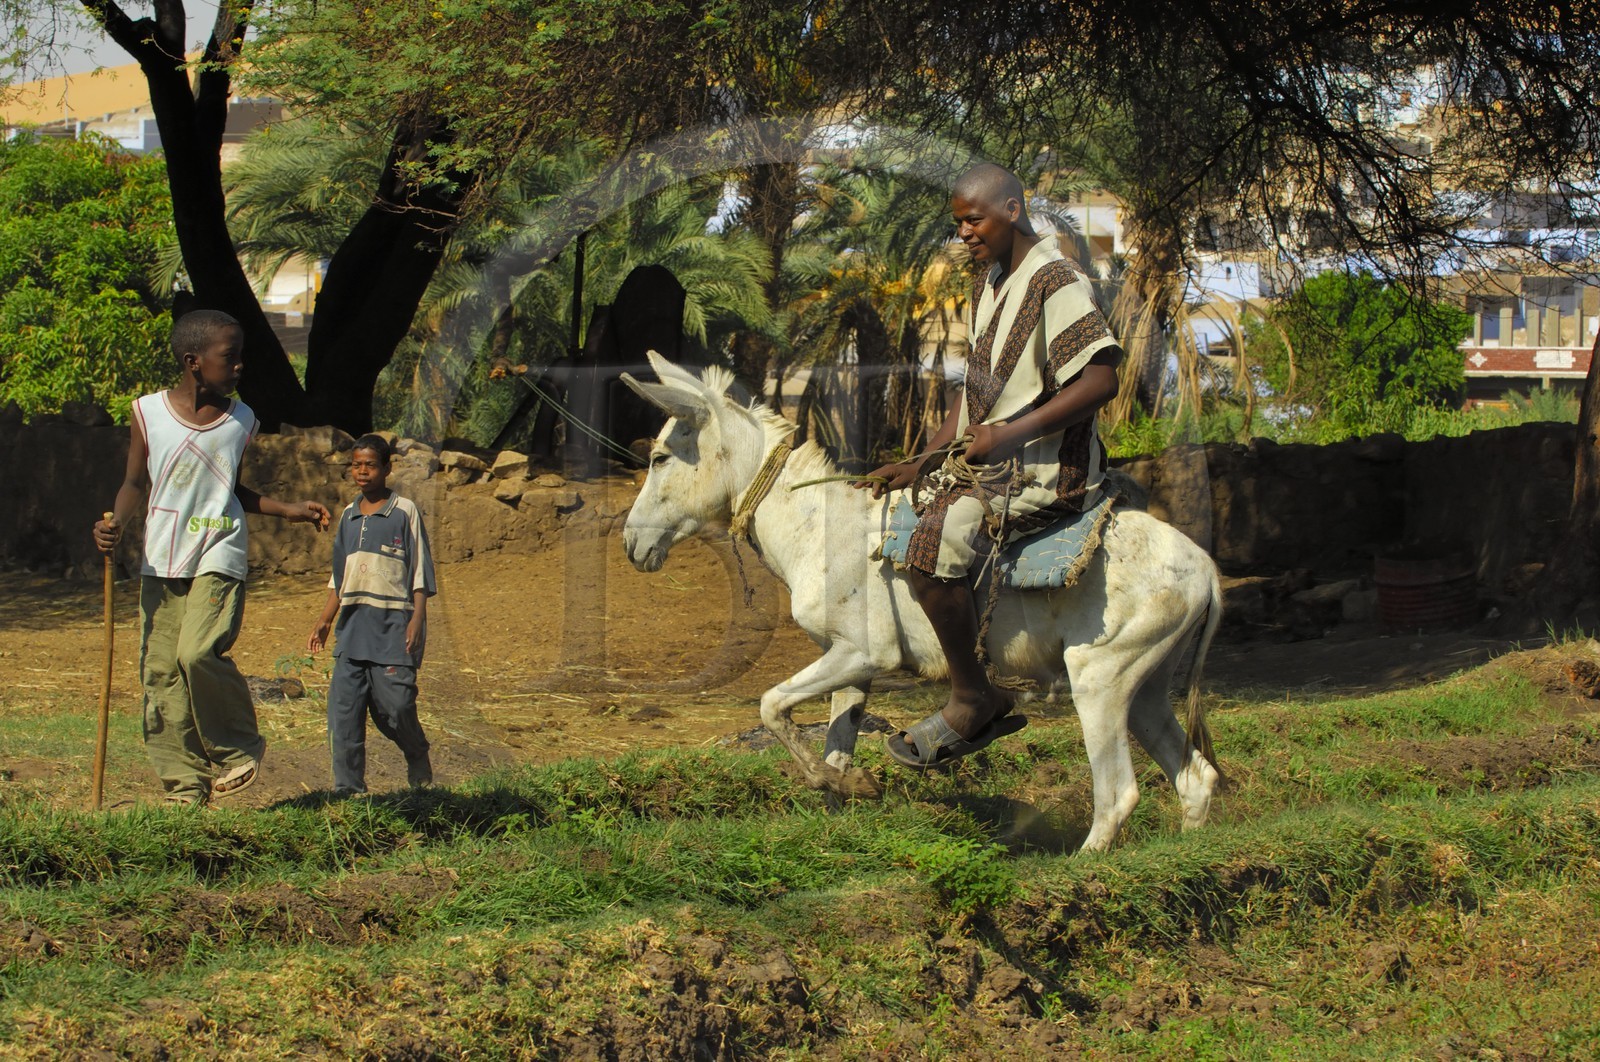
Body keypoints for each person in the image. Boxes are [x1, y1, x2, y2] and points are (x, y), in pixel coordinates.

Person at [856, 163, 1123, 769]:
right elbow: (977, 391)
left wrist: (1008, 434)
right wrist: (922, 461)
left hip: (1048, 468)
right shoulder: (991, 283)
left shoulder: (1057, 280)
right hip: (994, 464)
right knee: (906, 510)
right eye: (958, 223)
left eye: (973, 219)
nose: (964, 233)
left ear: (1011, 209)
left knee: (932, 540)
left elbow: (1100, 380)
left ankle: (973, 697)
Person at [93, 309, 331, 805]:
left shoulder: (241, 420)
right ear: (193, 361)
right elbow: (134, 484)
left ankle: (239, 749)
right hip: (162, 555)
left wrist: (286, 509)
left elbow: (230, 489)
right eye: (231, 356)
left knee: (198, 652)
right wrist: (115, 525)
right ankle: (185, 786)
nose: (240, 365)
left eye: (241, 356)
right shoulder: (147, 412)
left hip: (219, 548)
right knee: (161, 671)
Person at [307, 434, 435, 796]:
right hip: (352, 630)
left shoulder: (404, 512)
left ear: (387, 468)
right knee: (343, 714)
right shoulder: (348, 517)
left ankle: (416, 750)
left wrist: (417, 619)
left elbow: (420, 571)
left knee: (396, 706)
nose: (363, 471)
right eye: (356, 465)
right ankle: (348, 790)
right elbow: (340, 577)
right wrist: (325, 619)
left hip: (393, 628)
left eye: (371, 465)